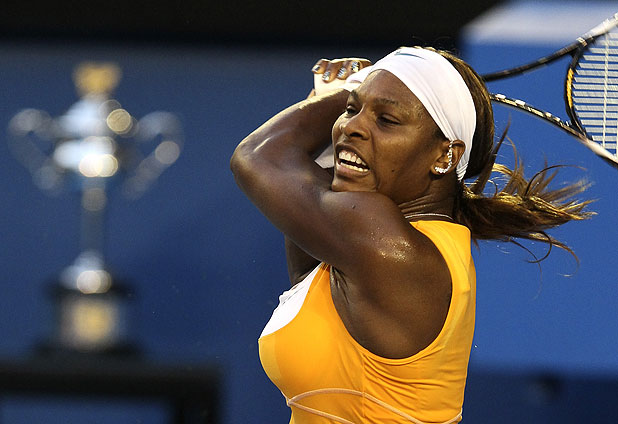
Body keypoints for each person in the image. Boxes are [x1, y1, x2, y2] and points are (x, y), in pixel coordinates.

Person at [230, 46, 592, 423]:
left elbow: (257, 156)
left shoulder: (385, 243)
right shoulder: (398, 243)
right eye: (352, 111)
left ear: (445, 156)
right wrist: (339, 118)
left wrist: (342, 93)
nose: (351, 126)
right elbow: (307, 281)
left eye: (386, 120)